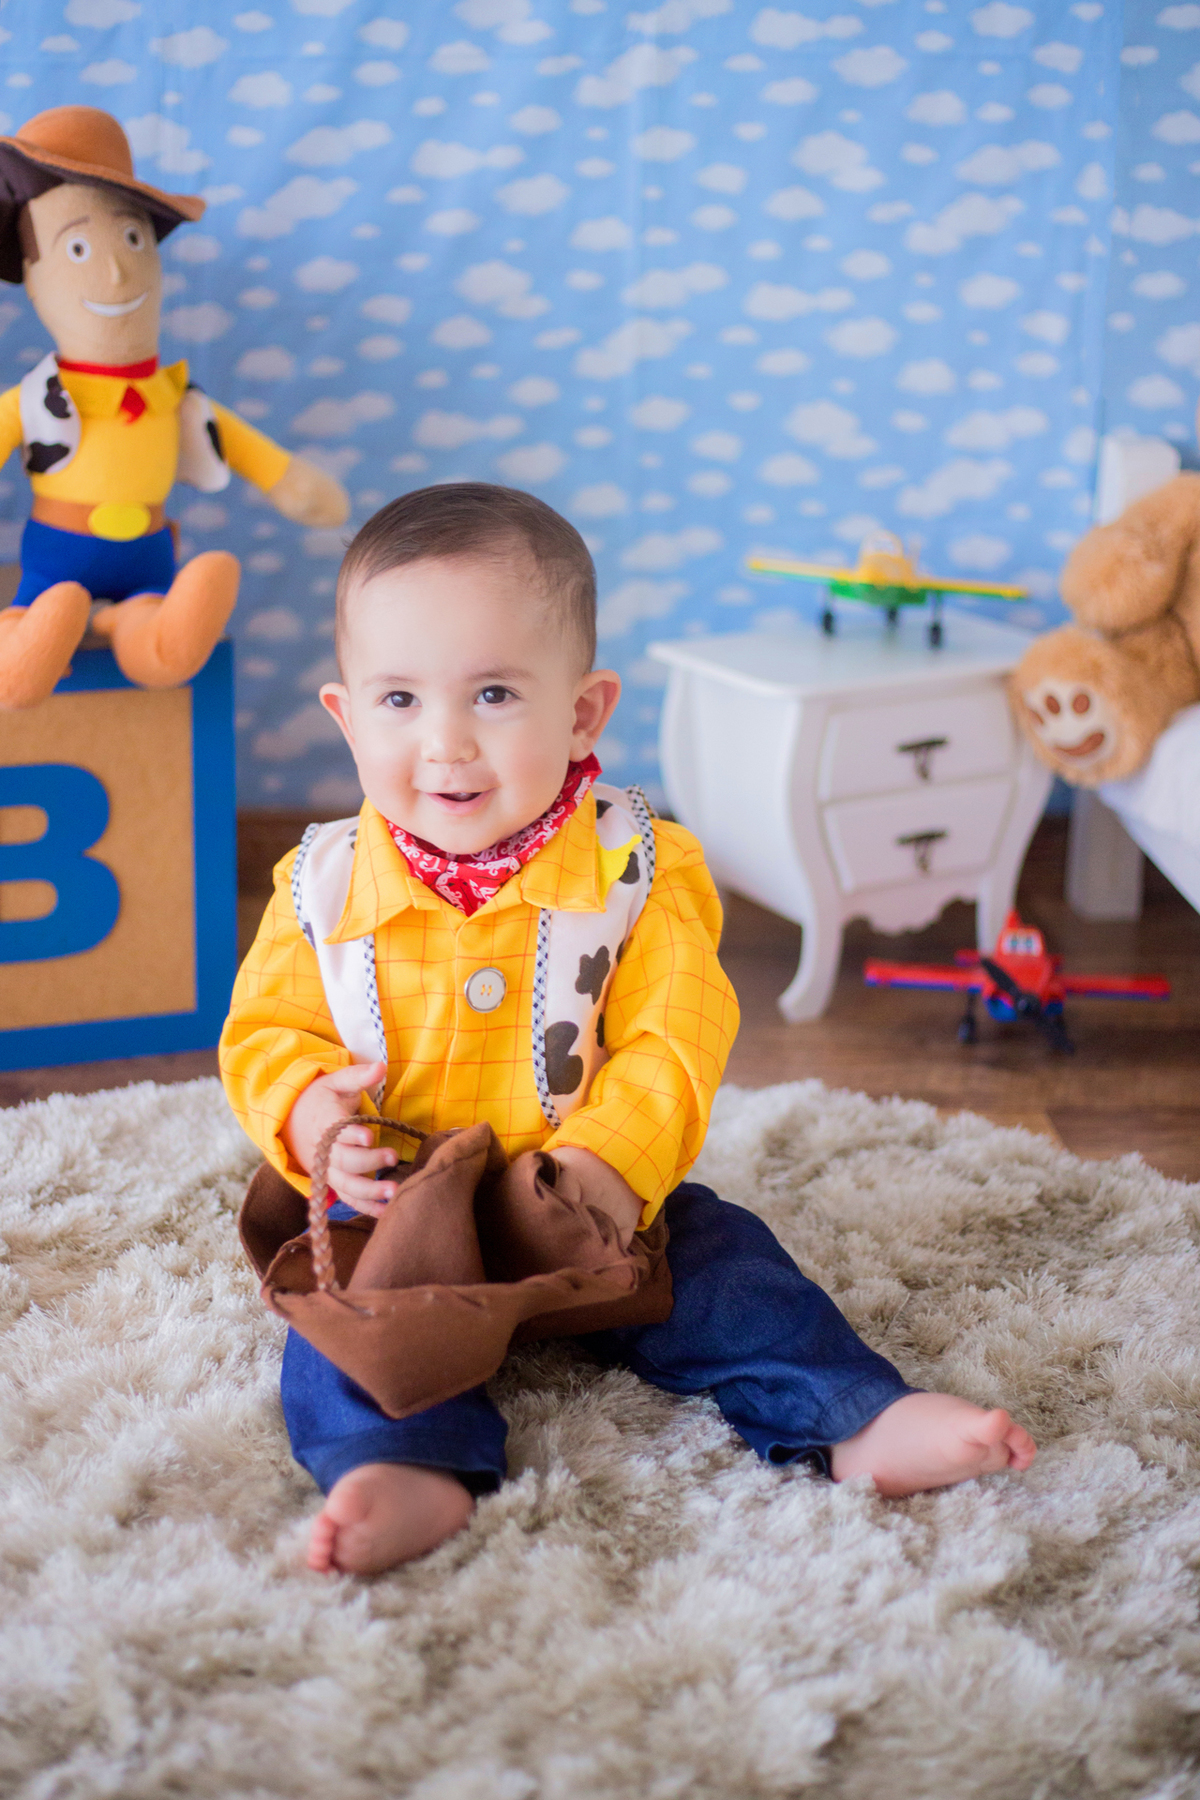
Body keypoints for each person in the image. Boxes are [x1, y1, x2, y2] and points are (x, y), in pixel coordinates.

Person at [220, 482, 1036, 1577]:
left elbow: (676, 1034)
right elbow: (265, 1029)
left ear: (583, 713)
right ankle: (403, 1462)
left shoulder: (636, 870)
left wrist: (611, 1160)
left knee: (730, 1271)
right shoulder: (321, 882)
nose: (447, 742)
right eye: (401, 700)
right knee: (338, 1326)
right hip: (397, 1213)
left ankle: (857, 1418)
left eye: (496, 693)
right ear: (345, 714)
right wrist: (315, 1113)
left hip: (586, 1202)